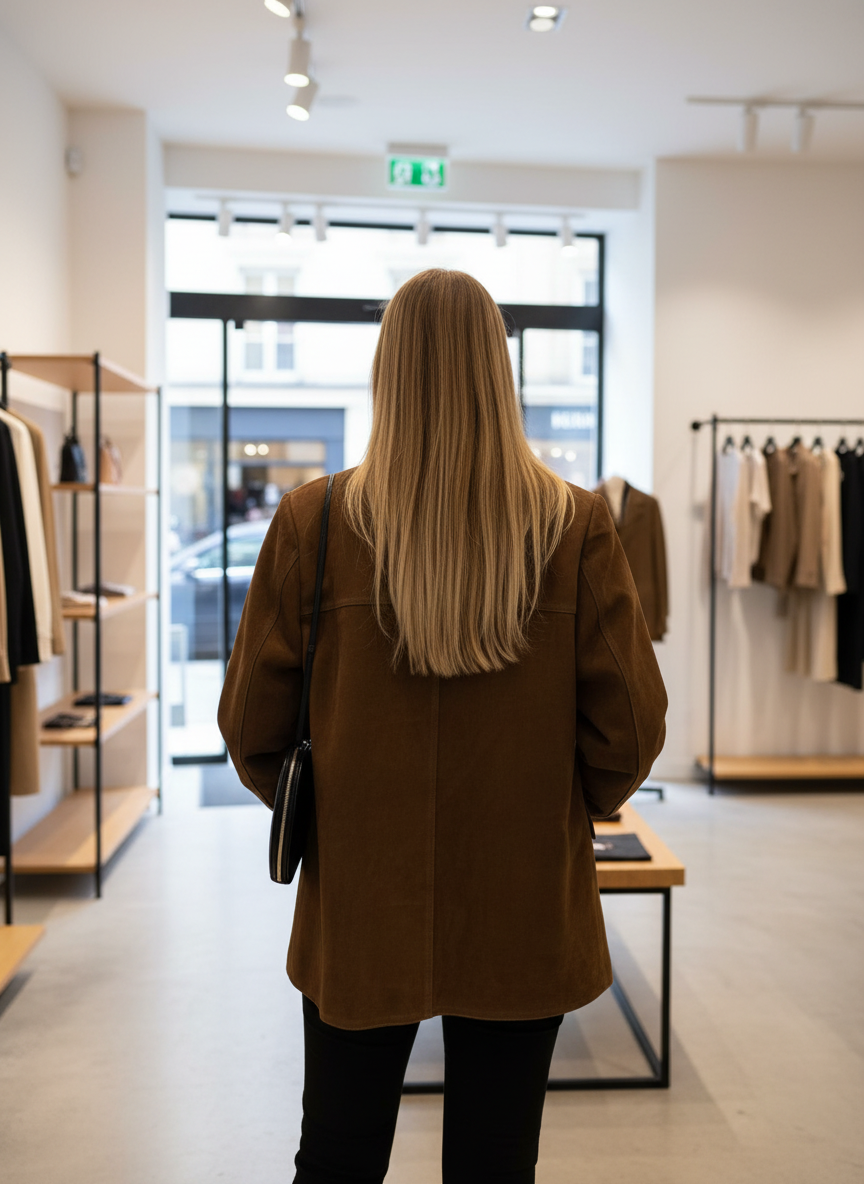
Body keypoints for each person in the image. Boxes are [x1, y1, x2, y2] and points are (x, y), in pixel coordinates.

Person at [218, 269, 667, 1184]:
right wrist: (558, 807)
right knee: (496, 1164)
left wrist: (337, 808)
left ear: (387, 372)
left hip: (362, 901)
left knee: (337, 1159)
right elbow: (629, 729)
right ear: (497, 372)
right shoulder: (574, 525)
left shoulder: (316, 521)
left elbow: (252, 727)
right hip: (522, 897)